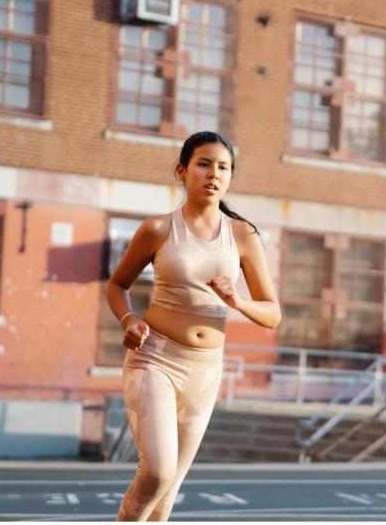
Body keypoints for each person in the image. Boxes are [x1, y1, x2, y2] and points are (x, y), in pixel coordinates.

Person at [107, 131, 281, 521]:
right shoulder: (157, 229)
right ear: (182, 171)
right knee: (157, 472)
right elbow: (118, 285)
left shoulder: (242, 235)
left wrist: (237, 301)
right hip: (155, 360)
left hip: (205, 370)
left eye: (223, 167)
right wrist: (128, 317)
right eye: (204, 164)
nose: (213, 174)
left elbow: (272, 314)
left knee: (166, 498)